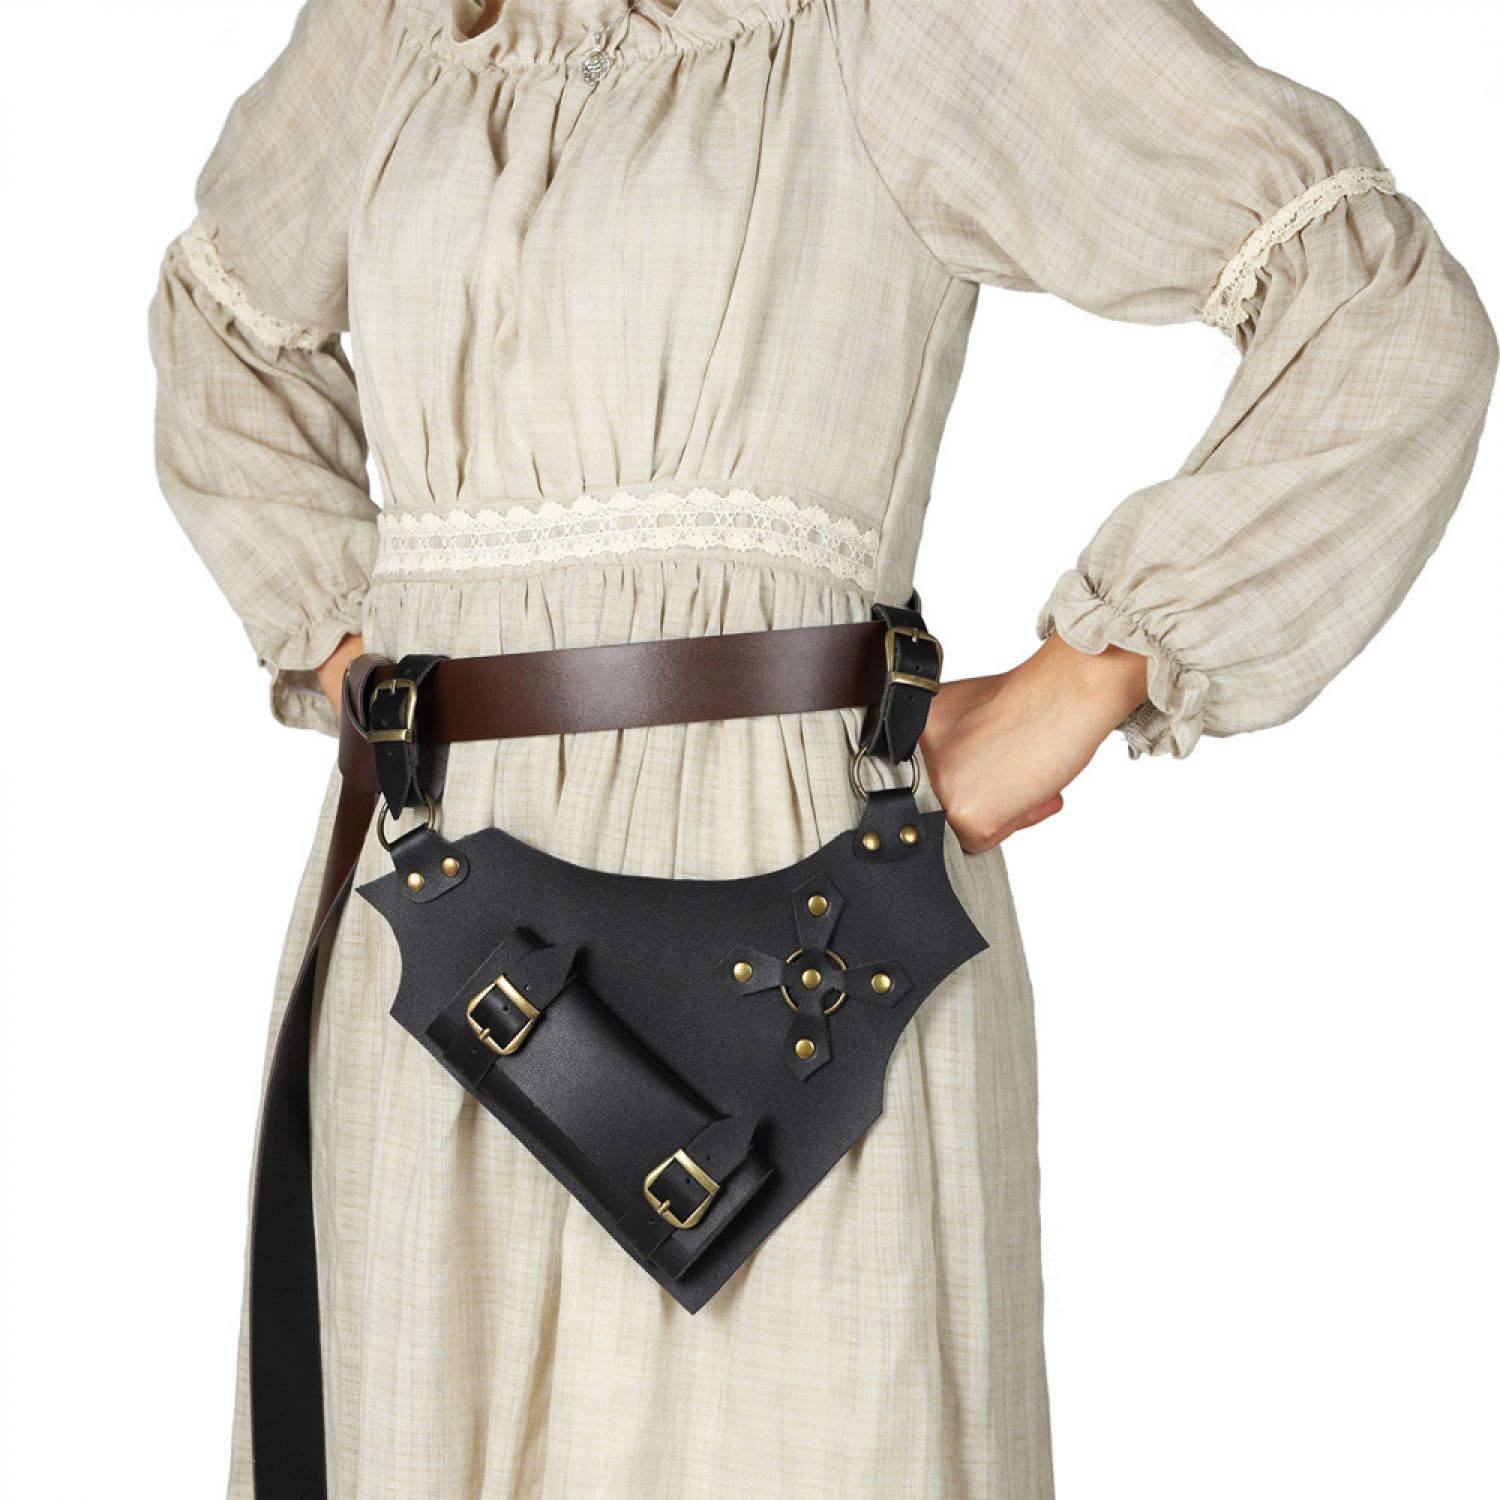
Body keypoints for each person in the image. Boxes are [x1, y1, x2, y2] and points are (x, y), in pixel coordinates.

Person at [146, 1, 1496, 1495]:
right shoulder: (401, 27)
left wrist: (1086, 680)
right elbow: (224, 319)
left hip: (797, 941)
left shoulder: (891, 21)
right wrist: (367, 658)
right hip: (438, 943)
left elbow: (1378, 302)